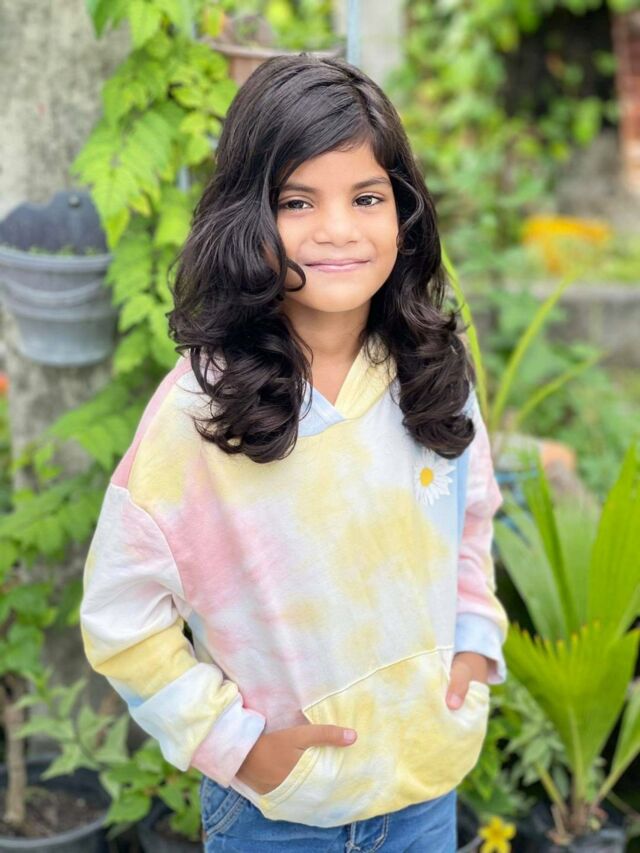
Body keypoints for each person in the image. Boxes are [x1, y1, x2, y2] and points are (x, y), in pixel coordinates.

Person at [80, 52, 509, 852]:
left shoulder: (433, 375)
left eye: (367, 197)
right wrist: (238, 747)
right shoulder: (200, 411)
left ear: (404, 212)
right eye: (297, 201)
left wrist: (475, 645)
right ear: (246, 217)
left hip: (424, 791)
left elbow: (470, 523)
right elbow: (120, 616)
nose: (338, 228)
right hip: (275, 817)